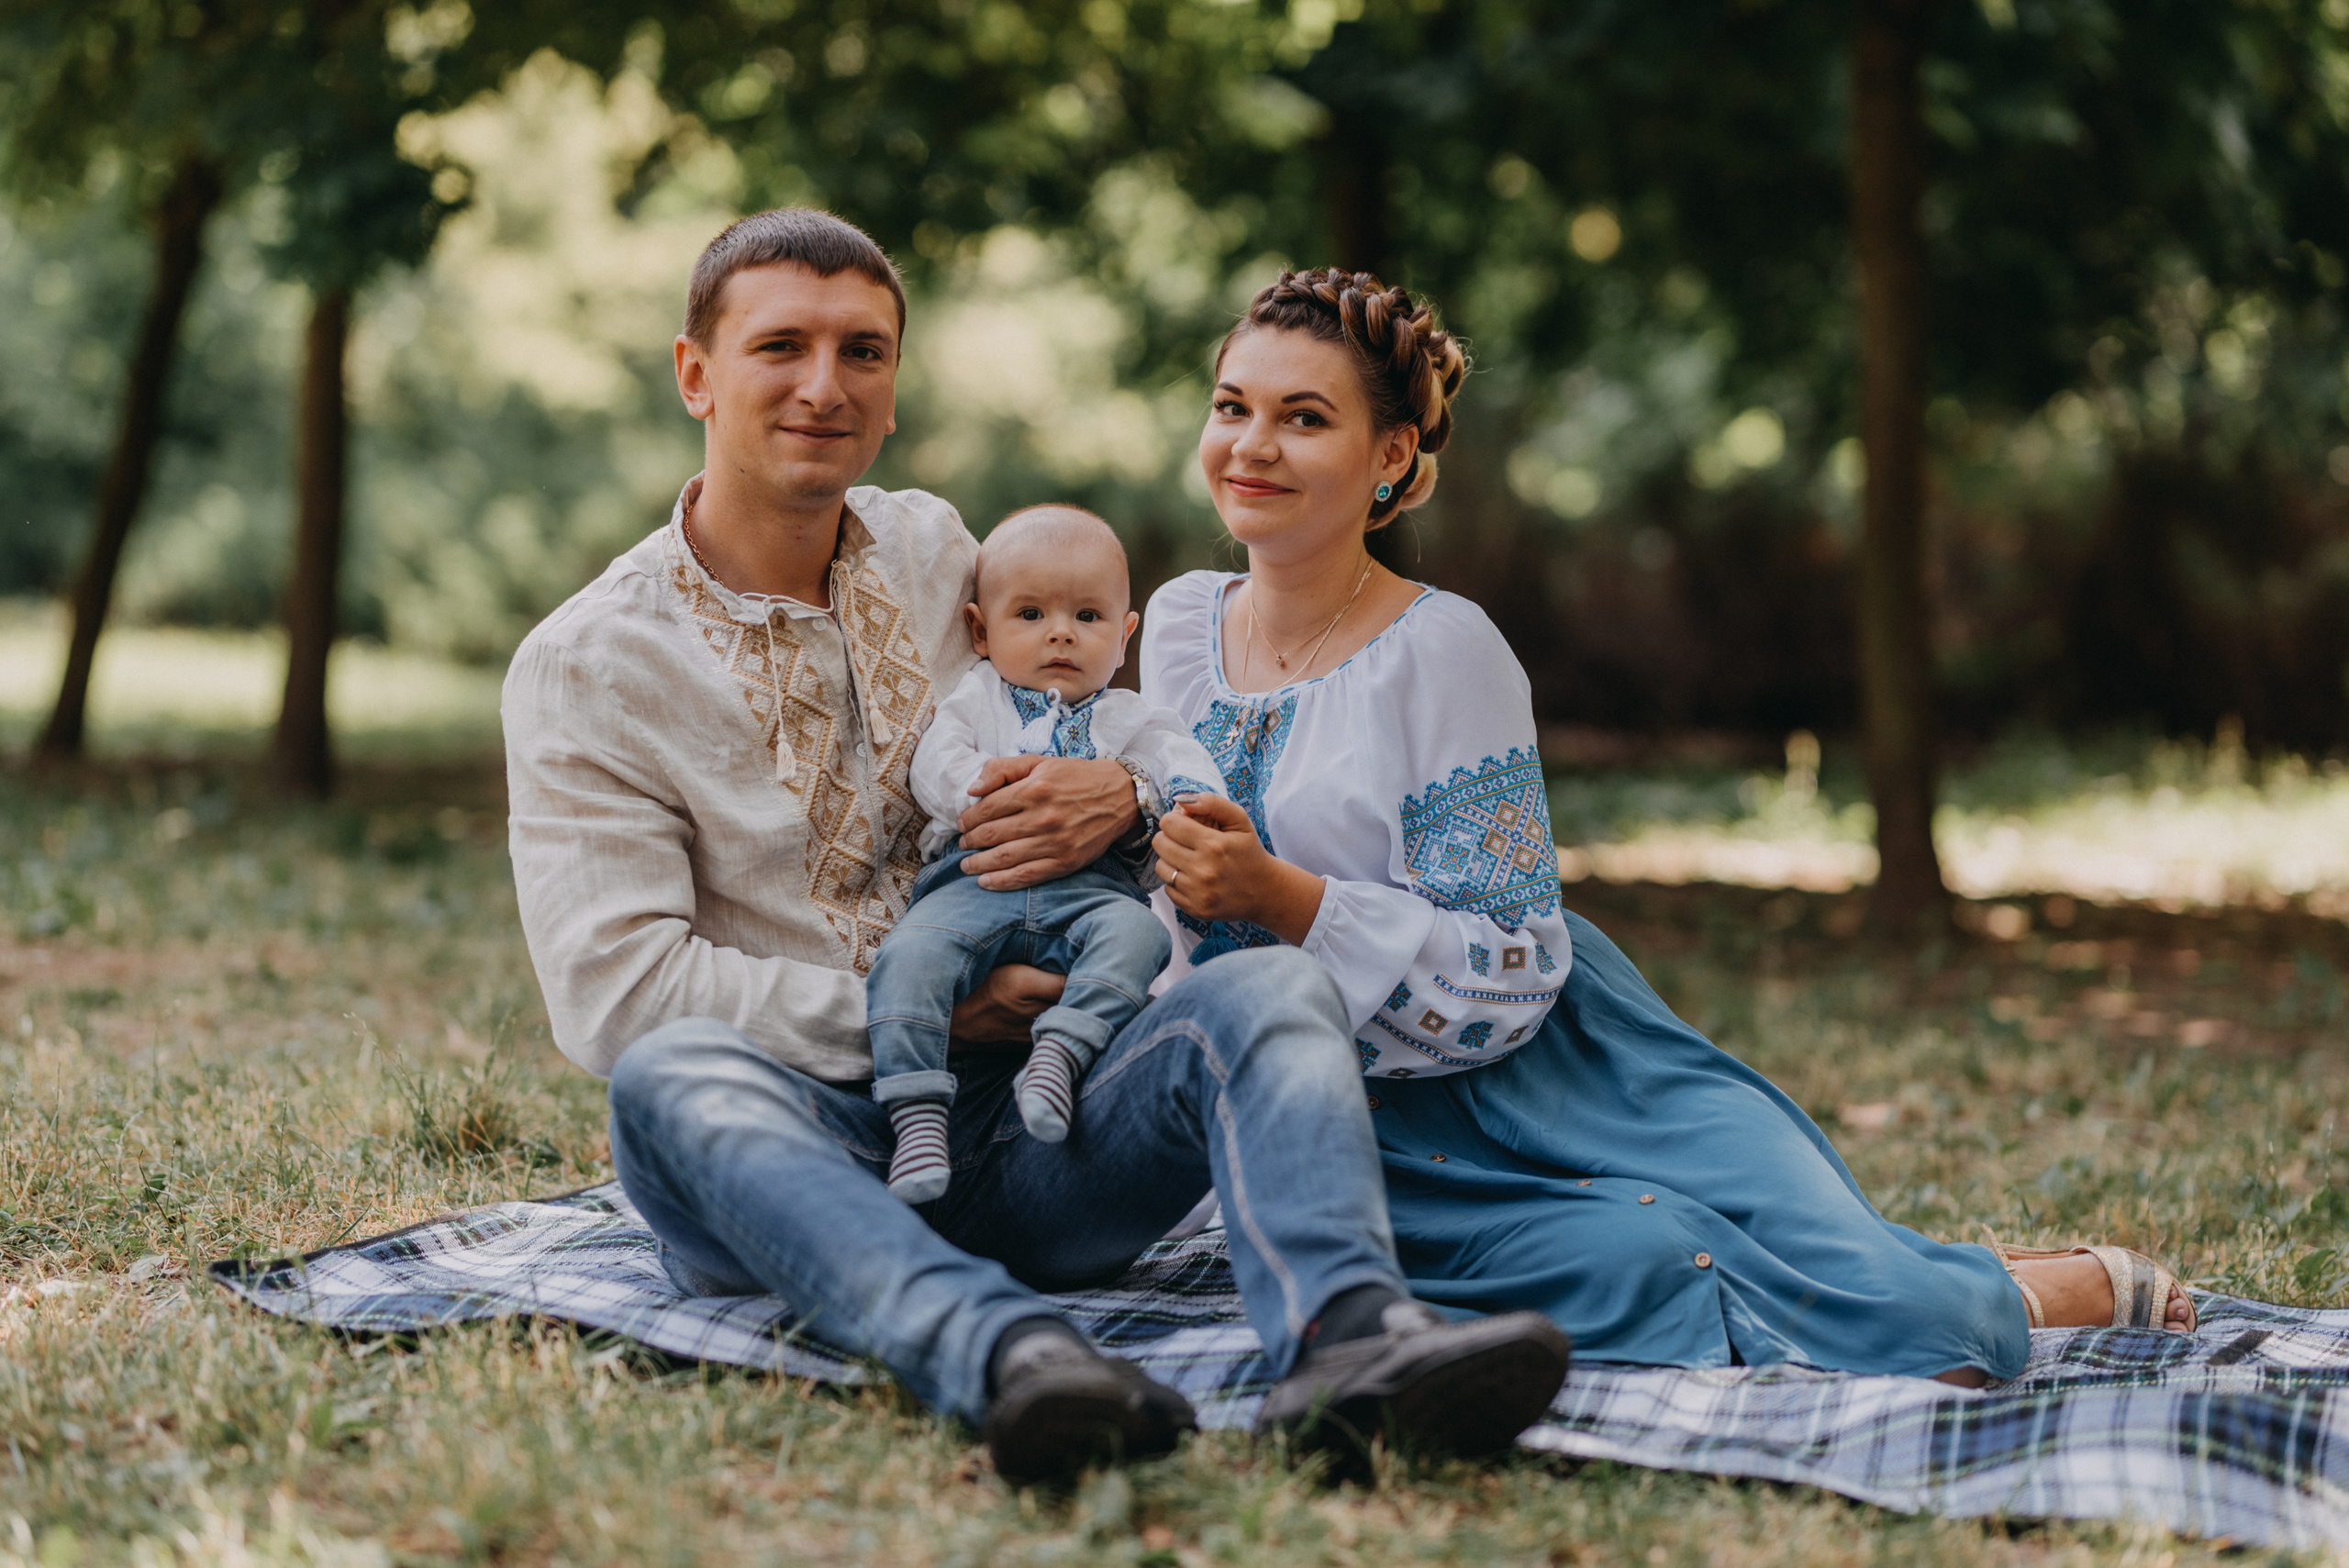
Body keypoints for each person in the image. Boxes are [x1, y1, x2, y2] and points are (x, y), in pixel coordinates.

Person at [500, 211, 1569, 1485]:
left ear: (895, 389)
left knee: (1272, 982)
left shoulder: (935, 551)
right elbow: (615, 992)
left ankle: (1352, 1340)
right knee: (666, 1080)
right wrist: (934, 1020)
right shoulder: (589, 664)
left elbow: (1080, 708)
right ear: (695, 375)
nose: (824, 385)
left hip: (1052, 1131)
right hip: (808, 1151)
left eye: (865, 351)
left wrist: (1125, 793)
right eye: (780, 346)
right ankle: (1014, 1361)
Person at [1141, 268, 2197, 1387]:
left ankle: (1998, 1285)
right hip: (1348, 1128)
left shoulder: (1445, 651)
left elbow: (1511, 963)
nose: (1251, 444)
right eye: (1231, 406)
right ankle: (1899, 1267)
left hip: (1549, 1065)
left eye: (1304, 418)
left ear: (1392, 454)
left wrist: (1282, 897)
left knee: (1925, 1337)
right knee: (1648, 1266)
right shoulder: (1170, 626)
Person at [867, 504, 1226, 1203]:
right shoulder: (977, 699)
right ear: (980, 629)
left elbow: (1191, 776)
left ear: (1125, 636)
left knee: (1141, 936)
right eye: (1030, 614)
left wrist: (1167, 800)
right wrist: (993, 799)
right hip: (975, 880)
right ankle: (915, 1113)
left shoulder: (1134, 718)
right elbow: (935, 768)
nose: (1060, 631)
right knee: (907, 956)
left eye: (1088, 617)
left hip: (1092, 894)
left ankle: (1062, 1050)